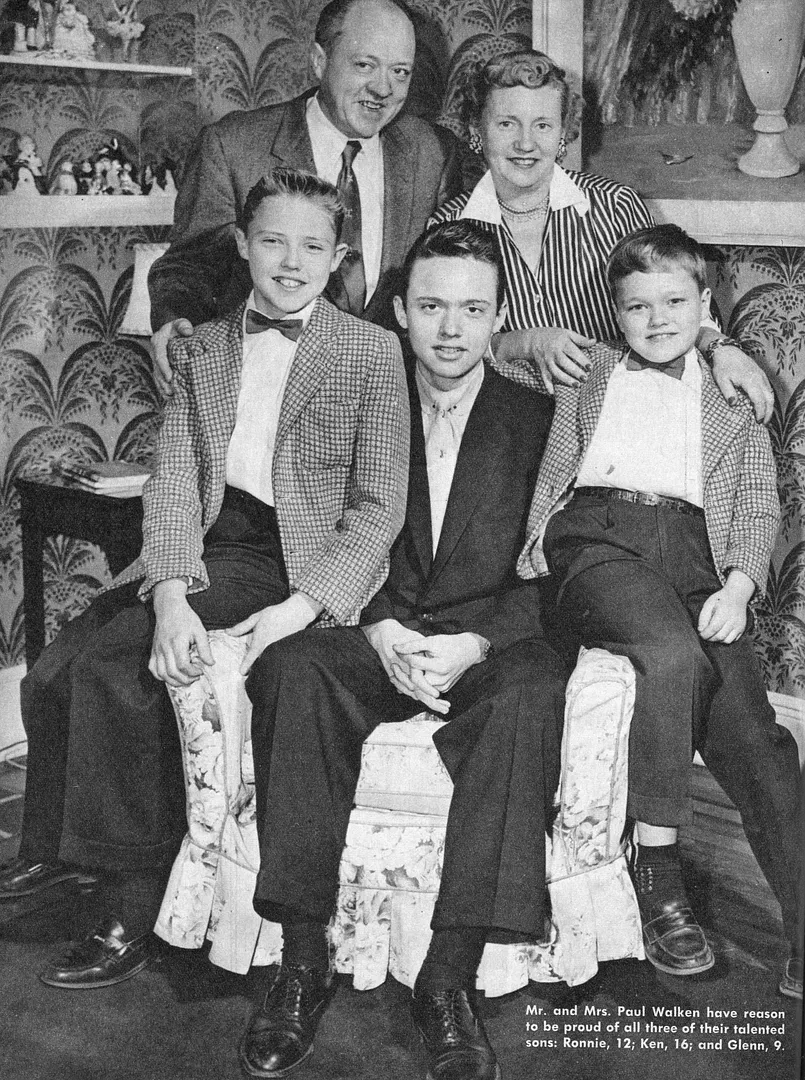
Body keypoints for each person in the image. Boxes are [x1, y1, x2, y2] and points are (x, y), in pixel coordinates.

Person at [0, 167, 410, 989]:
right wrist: (169, 594)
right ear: (242, 246)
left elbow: (379, 508)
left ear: (338, 259)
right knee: (52, 670)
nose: (289, 263)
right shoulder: (206, 348)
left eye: (311, 247)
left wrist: (306, 605)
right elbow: (175, 485)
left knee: (119, 671)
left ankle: (131, 900)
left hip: (287, 556)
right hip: (203, 542)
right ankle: (60, 855)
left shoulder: (371, 351)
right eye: (272, 242)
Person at [237, 221, 568, 1080]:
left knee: (531, 692)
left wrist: (475, 642)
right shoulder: (352, 397)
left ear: (499, 317)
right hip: (370, 624)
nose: (450, 329)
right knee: (290, 669)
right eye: (430, 306)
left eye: (472, 309)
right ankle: (301, 961)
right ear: (399, 312)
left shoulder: (539, 421)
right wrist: (377, 623)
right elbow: (321, 529)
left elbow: (555, 562)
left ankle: (447, 980)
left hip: (484, 636)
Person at [518, 224, 804, 999]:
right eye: (636, 306)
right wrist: (532, 337)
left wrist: (737, 586)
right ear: (615, 314)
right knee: (670, 656)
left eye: (674, 302)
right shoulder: (589, 370)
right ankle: (658, 873)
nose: (655, 319)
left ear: (704, 305)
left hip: (697, 560)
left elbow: (756, 500)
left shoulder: (729, 391)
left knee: (755, 737)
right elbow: (480, 352)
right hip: (597, 539)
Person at [431, 48, 775, 421]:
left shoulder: (616, 206)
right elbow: (434, 345)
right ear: (476, 130)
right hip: (508, 426)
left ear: (562, 134)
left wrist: (722, 349)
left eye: (543, 125)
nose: (525, 143)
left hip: (622, 418)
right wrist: (518, 343)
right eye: (506, 124)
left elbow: (678, 306)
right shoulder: (448, 227)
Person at [147, 0, 461, 396]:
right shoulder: (233, 146)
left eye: (400, 71)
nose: (383, 88)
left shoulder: (433, 151)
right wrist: (175, 322)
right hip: (265, 393)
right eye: (365, 65)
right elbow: (188, 268)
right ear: (319, 61)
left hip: (392, 400)